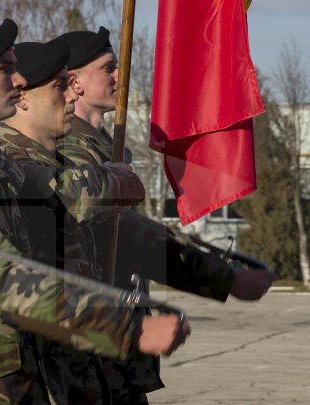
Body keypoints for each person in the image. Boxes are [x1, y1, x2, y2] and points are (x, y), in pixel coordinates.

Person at [0, 19, 190, 405]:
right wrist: (121, 328)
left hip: (7, 381)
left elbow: (60, 192)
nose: (20, 80)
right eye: (5, 69)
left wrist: (110, 181)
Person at [56, 27, 277, 404]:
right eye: (108, 68)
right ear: (74, 81)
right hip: (84, 347)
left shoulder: (105, 148)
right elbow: (126, 234)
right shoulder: (67, 150)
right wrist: (221, 275)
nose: (119, 76)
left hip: (115, 346)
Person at [0, 39, 160, 404]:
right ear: (22, 97)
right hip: (52, 357)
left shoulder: (57, 157)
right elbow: (77, 197)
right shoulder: (9, 160)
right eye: (59, 86)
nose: (71, 96)